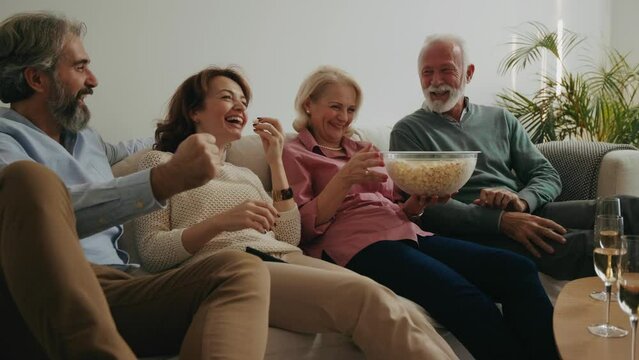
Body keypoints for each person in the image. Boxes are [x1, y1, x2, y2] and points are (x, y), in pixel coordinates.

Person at [134, 66, 458, 360]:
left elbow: (290, 236)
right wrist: (221, 222)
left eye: (243, 101)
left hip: (286, 255)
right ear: (194, 110)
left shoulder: (245, 174)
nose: (240, 107)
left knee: (393, 301)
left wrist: (275, 161)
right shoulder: (159, 164)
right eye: (226, 97)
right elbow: (151, 252)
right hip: (232, 266)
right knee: (363, 298)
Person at [0, 12, 271, 359]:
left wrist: (200, 135)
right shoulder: (6, 142)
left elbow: (141, 144)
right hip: (37, 291)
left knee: (239, 270)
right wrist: (163, 180)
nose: (93, 79)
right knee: (30, 181)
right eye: (80, 67)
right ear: (37, 79)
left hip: (118, 286)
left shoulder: (88, 140)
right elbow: (41, 215)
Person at [282, 65, 559, 360]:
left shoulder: (363, 148)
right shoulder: (294, 153)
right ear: (308, 104)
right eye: (335, 107)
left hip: (407, 232)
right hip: (358, 246)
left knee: (517, 270)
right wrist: (343, 179)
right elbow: (301, 227)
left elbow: (396, 206)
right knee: (467, 299)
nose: (343, 117)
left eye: (350, 109)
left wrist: (419, 203)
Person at [390, 33, 639, 280]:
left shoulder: (500, 119)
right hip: (475, 231)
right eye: (427, 72)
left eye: (446, 70)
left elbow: (546, 174)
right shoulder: (408, 131)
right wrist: (502, 221)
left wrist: (522, 202)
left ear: (468, 73)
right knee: (584, 245)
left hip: (526, 211)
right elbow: (426, 208)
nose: (436, 81)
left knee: (622, 208)